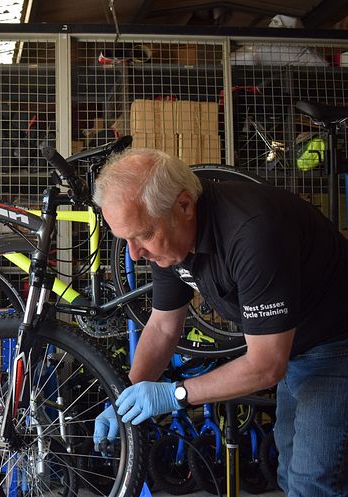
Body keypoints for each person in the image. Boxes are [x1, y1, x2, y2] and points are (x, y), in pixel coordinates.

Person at [91, 148, 348, 497]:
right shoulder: (167, 238)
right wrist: (123, 399)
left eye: (143, 235)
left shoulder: (252, 231)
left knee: (313, 483)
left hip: (336, 344)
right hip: (296, 348)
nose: (135, 253)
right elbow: (164, 326)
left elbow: (265, 365)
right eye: (127, 239)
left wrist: (175, 394)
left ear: (184, 205)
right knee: (290, 473)